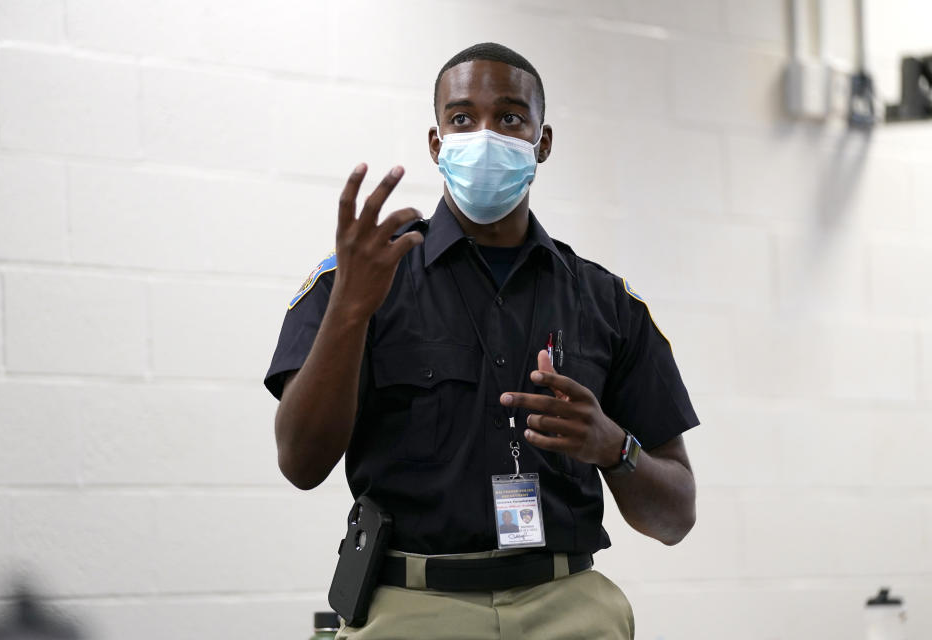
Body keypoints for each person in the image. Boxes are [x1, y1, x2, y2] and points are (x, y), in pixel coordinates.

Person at [266, 42, 699, 640]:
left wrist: (612, 447)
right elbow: (299, 463)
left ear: (542, 142)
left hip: (567, 605)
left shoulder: (607, 304)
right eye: (463, 118)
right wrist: (349, 313)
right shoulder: (360, 281)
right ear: (436, 141)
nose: (486, 134)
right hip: (411, 606)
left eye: (511, 117)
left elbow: (676, 516)